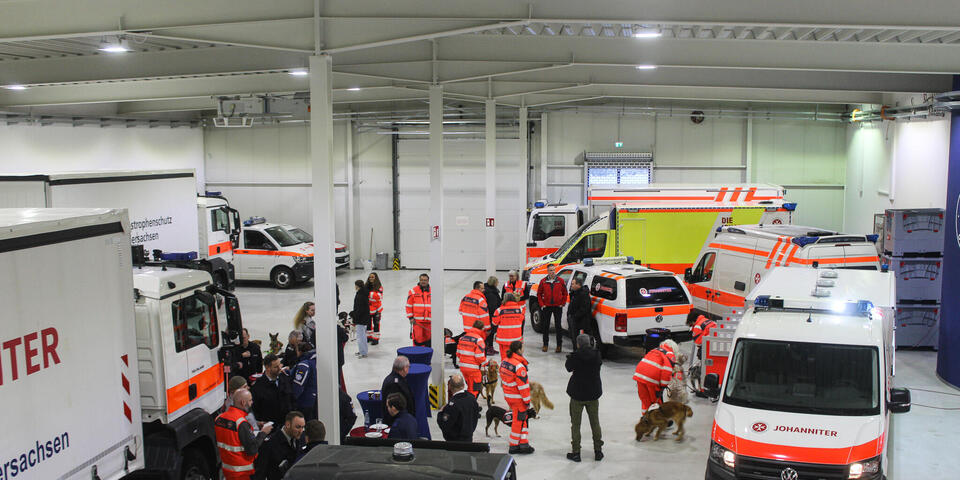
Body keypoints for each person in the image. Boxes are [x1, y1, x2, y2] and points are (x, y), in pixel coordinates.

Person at [215, 389, 273, 479]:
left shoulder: (219, 419)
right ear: (243, 402)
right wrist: (263, 433)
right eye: (250, 400)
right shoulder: (241, 423)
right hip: (242, 473)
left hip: (227, 470)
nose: (252, 403)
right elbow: (252, 449)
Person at [565, 334, 604, 462]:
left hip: (577, 395)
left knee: (575, 424)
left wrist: (571, 356)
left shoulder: (575, 356)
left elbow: (568, 367)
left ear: (578, 344)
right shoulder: (597, 354)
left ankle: (576, 452)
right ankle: (598, 451)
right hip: (593, 394)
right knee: (595, 423)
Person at [500, 341, 534, 454]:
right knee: (518, 421)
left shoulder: (504, 362)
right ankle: (514, 445)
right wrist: (527, 401)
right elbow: (523, 387)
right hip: (518, 399)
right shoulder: (519, 367)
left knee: (523, 419)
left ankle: (524, 443)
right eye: (523, 347)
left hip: (509, 396)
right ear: (519, 350)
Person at [252, 411, 304, 480]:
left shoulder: (299, 440)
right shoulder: (270, 443)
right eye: (298, 427)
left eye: (303, 427)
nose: (301, 431)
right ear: (288, 425)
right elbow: (260, 473)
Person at [633, 339, 679, 415]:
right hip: (652, 378)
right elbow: (666, 371)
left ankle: (645, 419)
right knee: (656, 400)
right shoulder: (670, 354)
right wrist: (663, 386)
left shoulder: (655, 350)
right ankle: (660, 420)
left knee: (645, 399)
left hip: (639, 374)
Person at [251, 354, 293, 427]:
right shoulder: (258, 387)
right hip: (269, 426)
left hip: (285, 424)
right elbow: (255, 408)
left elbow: (292, 398)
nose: (280, 368)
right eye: (276, 367)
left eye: (280, 365)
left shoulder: (285, 379)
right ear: (267, 367)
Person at [438, 373, 481, 442]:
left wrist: (440, 413)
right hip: (469, 439)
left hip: (454, 442)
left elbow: (444, 425)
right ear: (463, 385)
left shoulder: (452, 405)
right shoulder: (472, 398)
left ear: (449, 387)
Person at [537, 263, 568, 353]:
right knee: (545, 326)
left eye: (553, 270)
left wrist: (562, 303)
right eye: (550, 270)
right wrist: (542, 304)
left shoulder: (560, 281)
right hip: (547, 307)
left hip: (558, 307)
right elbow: (539, 294)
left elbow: (565, 293)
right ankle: (545, 344)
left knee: (558, 326)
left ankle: (559, 345)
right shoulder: (543, 281)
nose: (552, 272)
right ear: (547, 271)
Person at [457, 319, 488, 397]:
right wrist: (486, 363)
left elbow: (458, 353)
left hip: (463, 367)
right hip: (473, 369)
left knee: (470, 387)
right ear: (482, 329)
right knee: (475, 389)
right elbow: (479, 357)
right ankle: (471, 407)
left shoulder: (462, 338)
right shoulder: (479, 340)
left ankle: (469, 405)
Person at [380, 356, 414, 425]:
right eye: (408, 367)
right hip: (397, 423)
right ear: (404, 368)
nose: (408, 369)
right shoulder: (393, 384)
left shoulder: (398, 379)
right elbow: (394, 406)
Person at [290, 342, 318, 421]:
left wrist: (292, 400)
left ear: (299, 351)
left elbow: (298, 385)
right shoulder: (314, 361)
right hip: (313, 400)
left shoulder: (304, 365)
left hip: (304, 402)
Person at [493, 293, 525, 358]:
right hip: (516, 339)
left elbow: (494, 323)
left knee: (505, 358)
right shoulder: (520, 310)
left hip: (503, 339)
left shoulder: (499, 310)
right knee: (515, 357)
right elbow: (522, 321)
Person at [405, 273, 432, 346]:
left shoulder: (433, 291)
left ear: (428, 281)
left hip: (429, 321)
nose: (423, 281)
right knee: (418, 339)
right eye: (422, 280)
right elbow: (409, 306)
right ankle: (418, 354)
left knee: (429, 339)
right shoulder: (413, 291)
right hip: (417, 322)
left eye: (425, 280)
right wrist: (410, 317)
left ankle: (428, 354)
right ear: (419, 280)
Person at [566, 278, 592, 351]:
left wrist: (574, 316)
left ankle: (579, 352)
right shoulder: (575, 293)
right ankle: (576, 351)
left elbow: (584, 308)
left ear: (578, 285)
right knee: (573, 336)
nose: (571, 285)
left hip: (580, 320)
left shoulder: (583, 295)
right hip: (574, 319)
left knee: (577, 338)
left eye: (573, 284)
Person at [351, 279, 371, 358]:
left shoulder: (360, 295)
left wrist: (355, 317)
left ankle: (363, 352)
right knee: (363, 336)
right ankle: (363, 351)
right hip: (365, 318)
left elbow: (359, 309)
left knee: (360, 337)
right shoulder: (364, 293)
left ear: (357, 286)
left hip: (360, 319)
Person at [483, 276, 502, 355]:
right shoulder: (492, 294)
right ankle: (489, 348)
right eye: (497, 282)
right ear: (494, 283)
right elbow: (493, 307)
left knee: (489, 333)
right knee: (490, 332)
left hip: (486, 315)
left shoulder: (486, 290)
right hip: (491, 316)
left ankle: (489, 347)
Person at [366, 272, 384, 345]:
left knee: (376, 324)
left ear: (375, 278)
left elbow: (379, 296)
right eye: (370, 277)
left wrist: (369, 294)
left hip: (377, 309)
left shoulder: (379, 287)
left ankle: (376, 339)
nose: (371, 278)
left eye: (372, 277)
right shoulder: (366, 285)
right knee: (368, 324)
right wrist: (373, 294)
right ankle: (369, 337)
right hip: (368, 308)